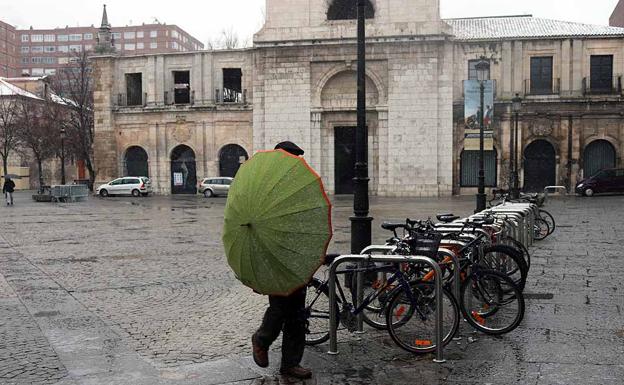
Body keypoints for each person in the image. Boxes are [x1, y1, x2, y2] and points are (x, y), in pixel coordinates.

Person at [251, 140, 312, 380]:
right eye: (292, 159)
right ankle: (262, 338)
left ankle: (290, 364)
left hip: (297, 257)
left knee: (297, 314)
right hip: (275, 257)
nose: (296, 163)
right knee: (280, 308)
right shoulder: (265, 187)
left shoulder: (297, 186)